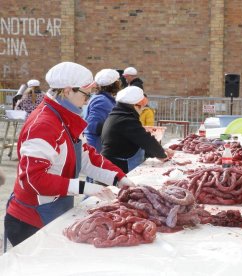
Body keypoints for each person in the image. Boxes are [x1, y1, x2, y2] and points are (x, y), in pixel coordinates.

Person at [4, 62, 136, 247]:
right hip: (31, 221)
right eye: (85, 94)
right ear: (67, 91)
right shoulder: (44, 125)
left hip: (56, 210)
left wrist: (119, 178)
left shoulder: (65, 117)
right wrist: (83, 187)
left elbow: (85, 156)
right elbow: (33, 179)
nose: (88, 100)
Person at [101, 86, 174, 173]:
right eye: (142, 107)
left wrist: (158, 152)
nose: (142, 110)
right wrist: (162, 154)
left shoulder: (118, 115)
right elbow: (146, 140)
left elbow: (136, 142)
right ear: (135, 106)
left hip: (115, 162)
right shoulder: (126, 120)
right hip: (117, 166)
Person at [84, 69, 121, 152]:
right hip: (96, 147)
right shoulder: (101, 100)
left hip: (97, 145)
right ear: (114, 84)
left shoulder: (103, 99)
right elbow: (93, 126)